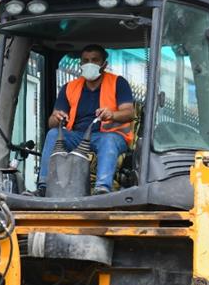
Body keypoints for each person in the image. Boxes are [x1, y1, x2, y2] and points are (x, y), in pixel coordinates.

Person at [37, 44, 136, 194]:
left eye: (95, 60)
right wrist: (57, 118)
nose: (90, 63)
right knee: (52, 134)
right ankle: (43, 186)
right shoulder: (70, 87)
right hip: (77, 136)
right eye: (86, 60)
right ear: (81, 64)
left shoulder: (118, 83)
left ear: (104, 64)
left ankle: (102, 189)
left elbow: (129, 113)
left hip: (110, 136)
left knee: (108, 140)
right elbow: (51, 122)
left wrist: (112, 115)